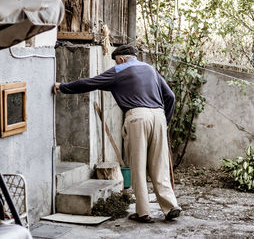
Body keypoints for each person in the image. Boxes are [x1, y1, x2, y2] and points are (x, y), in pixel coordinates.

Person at [53, 45, 181, 223]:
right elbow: (171, 97)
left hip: (137, 117)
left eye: (116, 60)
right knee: (160, 167)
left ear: (120, 59)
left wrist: (63, 86)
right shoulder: (150, 69)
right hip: (159, 117)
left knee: (137, 166)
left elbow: (90, 83)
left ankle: (143, 212)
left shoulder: (118, 70)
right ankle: (171, 206)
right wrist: (164, 122)